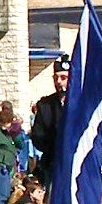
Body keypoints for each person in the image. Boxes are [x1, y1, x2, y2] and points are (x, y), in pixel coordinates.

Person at [29, 55, 70, 187]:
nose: (59, 82)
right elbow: (38, 136)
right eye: (56, 78)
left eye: (63, 78)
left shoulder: (82, 103)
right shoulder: (45, 105)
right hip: (53, 163)